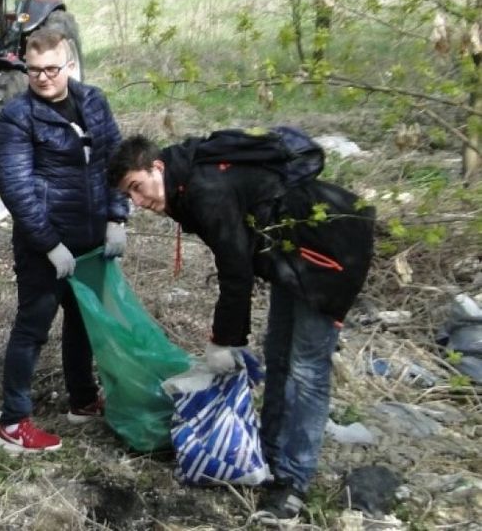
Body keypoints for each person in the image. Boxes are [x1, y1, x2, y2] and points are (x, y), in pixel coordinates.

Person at [107, 133, 375, 524]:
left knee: (306, 370)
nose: (138, 202)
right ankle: (270, 449)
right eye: (129, 195)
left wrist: (224, 341)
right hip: (290, 254)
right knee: (279, 356)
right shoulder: (185, 182)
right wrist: (229, 339)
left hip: (327, 253)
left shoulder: (203, 188)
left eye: (137, 188)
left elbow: (235, 270)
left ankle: (293, 481)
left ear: (156, 168)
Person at [0, 28, 128, 454]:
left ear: (69, 65)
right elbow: (17, 189)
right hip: (43, 247)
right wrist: (49, 245)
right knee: (33, 328)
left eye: (52, 69)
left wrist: (116, 217)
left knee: (85, 319)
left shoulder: (94, 102)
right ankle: (13, 423)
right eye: (34, 71)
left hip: (90, 240)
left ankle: (83, 400)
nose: (43, 78)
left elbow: (113, 159)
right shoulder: (16, 118)